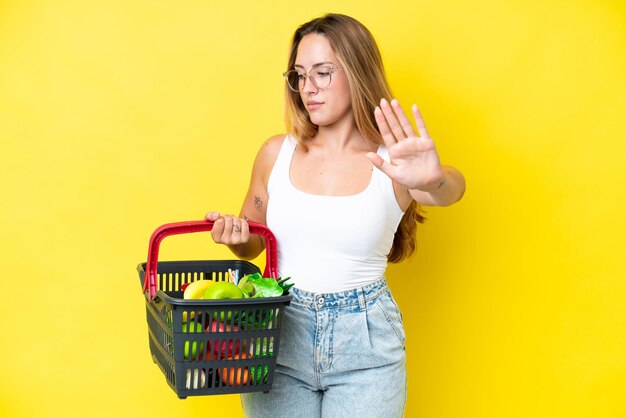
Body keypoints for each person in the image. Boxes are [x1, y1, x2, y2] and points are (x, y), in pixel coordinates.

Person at [205, 13, 465, 418]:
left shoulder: (393, 163)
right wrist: (239, 240)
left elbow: (450, 188)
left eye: (323, 73)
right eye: (299, 75)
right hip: (278, 332)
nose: (308, 88)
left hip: (365, 346)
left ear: (358, 72)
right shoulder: (276, 153)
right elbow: (253, 244)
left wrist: (431, 179)